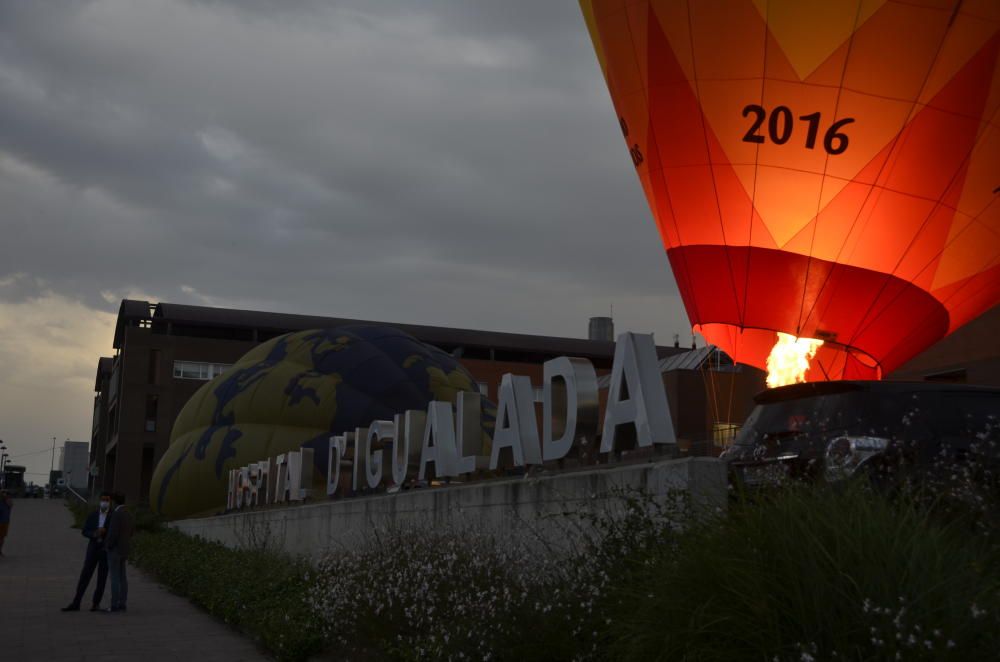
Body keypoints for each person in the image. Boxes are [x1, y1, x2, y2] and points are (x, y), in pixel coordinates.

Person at [61, 492, 112, 612]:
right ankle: (76, 601)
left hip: (105, 550)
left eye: (107, 500)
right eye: (103, 499)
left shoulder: (112, 516)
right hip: (93, 549)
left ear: (110, 502)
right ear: (100, 501)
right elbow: (84, 531)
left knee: (102, 578)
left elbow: (114, 533)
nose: (105, 502)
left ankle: (96, 604)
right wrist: (94, 534)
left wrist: (106, 534)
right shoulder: (93, 515)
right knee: (85, 576)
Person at [104, 492, 135, 613]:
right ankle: (122, 603)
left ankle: (114, 604)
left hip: (115, 550)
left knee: (115, 578)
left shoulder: (117, 514)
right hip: (125, 549)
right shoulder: (129, 513)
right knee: (123, 578)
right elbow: (132, 532)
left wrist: (107, 546)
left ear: (114, 502)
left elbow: (112, 534)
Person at [0, 490, 11, 556]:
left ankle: (0, 550)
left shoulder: (7, 502)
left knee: (2, 538)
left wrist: (6, 498)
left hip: (5, 522)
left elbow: (11, 504)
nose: (5, 495)